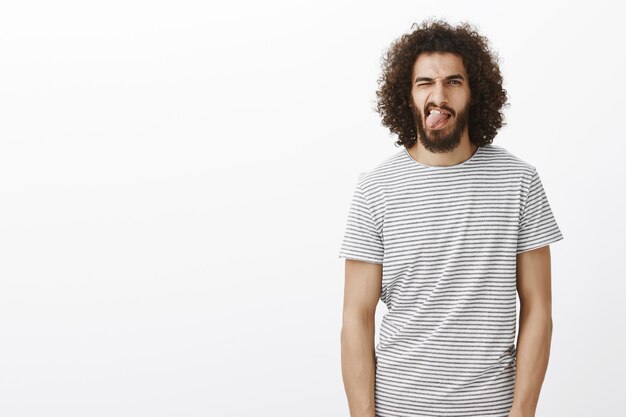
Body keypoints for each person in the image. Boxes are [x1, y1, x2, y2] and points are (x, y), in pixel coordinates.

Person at [338, 19, 564, 417]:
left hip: (492, 408)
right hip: (398, 407)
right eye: (424, 82)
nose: (438, 95)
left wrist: (522, 414)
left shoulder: (519, 182)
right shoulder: (375, 189)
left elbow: (539, 309)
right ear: (407, 96)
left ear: (474, 92)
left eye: (453, 82)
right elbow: (356, 317)